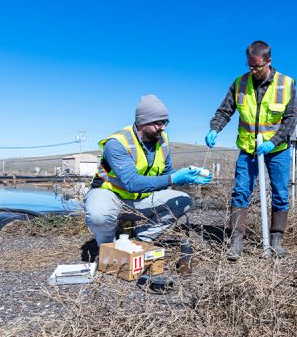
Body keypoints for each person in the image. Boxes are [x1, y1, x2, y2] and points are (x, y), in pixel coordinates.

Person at [206, 41, 297, 260]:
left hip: (277, 150)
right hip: (248, 149)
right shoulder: (239, 83)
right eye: (249, 66)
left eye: (257, 66)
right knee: (240, 191)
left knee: (281, 194)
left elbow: (291, 119)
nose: (253, 70)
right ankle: (236, 243)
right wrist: (214, 128)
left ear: (268, 62)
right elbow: (225, 110)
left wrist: (273, 141)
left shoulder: (285, 84)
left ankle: (276, 242)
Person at [86, 94, 211, 247]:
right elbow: (132, 183)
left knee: (184, 201)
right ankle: (107, 248)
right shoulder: (118, 143)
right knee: (98, 215)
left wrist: (187, 177)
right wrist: (174, 178)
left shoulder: (162, 139)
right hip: (113, 197)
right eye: (158, 123)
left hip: (141, 199)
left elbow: (167, 175)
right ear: (143, 122)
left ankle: (141, 240)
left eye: (166, 122)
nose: (163, 127)